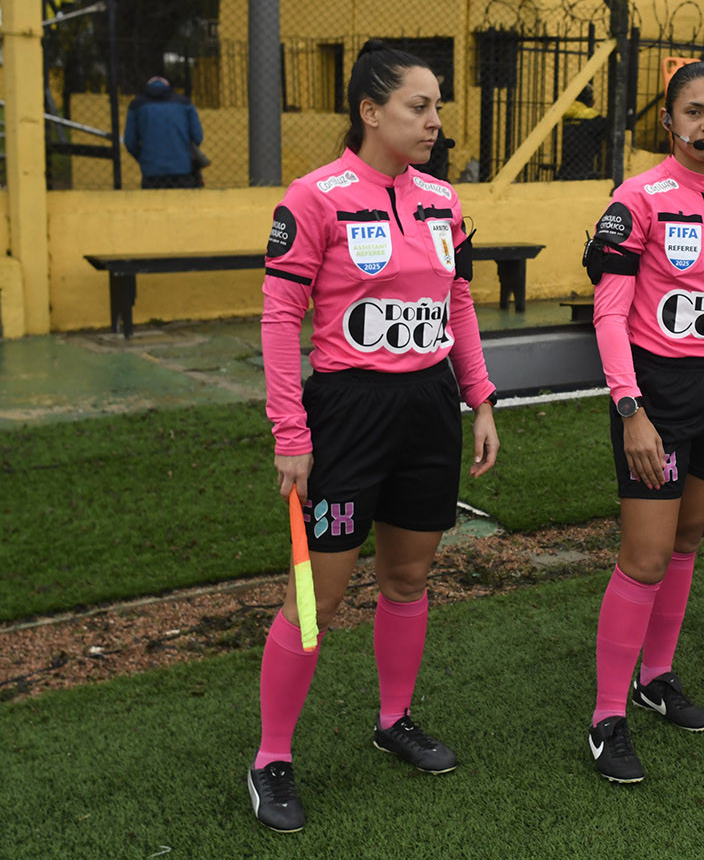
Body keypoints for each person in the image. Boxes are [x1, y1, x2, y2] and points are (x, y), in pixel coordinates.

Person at [249, 41, 500, 833]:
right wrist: (291, 429)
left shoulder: (443, 200)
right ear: (369, 110)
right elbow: (280, 316)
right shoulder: (315, 196)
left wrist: (480, 397)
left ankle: (394, 720)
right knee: (316, 597)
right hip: (348, 412)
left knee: (410, 575)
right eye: (418, 107)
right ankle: (271, 759)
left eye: (436, 107)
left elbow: (457, 305)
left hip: (428, 408)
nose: (434, 121)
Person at [582, 63, 704, 784]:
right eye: (693, 111)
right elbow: (609, 312)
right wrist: (630, 408)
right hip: (656, 399)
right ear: (668, 121)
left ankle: (655, 676)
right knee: (644, 554)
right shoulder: (636, 199)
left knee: (690, 536)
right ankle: (608, 717)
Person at [123, 75, 205, 189]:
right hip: (182, 168)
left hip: (151, 170)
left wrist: (144, 157)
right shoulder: (185, 103)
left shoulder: (136, 105)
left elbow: (130, 142)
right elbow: (197, 137)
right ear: (169, 87)